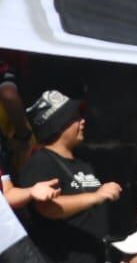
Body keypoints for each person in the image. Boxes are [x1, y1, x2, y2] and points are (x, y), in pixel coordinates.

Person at [16, 91, 120, 263]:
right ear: (58, 124)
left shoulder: (83, 162)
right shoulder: (40, 162)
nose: (83, 120)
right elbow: (47, 208)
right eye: (75, 117)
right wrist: (96, 196)